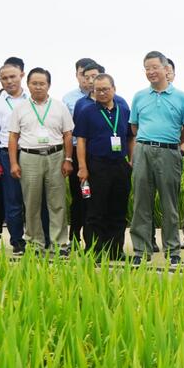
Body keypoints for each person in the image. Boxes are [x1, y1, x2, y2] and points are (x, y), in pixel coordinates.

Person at [130, 51, 184, 266]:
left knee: (169, 204)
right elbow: (134, 127)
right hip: (143, 150)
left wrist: (171, 144)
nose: (151, 72)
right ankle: (141, 250)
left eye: (155, 67)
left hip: (169, 152)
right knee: (141, 203)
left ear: (166, 69)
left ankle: (173, 251)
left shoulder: (181, 97)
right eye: (147, 68)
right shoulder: (139, 96)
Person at [8, 67, 74, 256]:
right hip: (29, 157)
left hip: (56, 156)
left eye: (42, 83)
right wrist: (13, 163)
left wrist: (68, 159)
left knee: (57, 202)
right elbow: (13, 136)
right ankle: (35, 244)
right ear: (28, 84)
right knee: (31, 203)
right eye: (34, 83)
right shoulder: (20, 108)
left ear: (49, 85)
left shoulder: (60, 107)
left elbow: (68, 134)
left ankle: (59, 244)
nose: (38, 87)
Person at [75, 73, 133, 259]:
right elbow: (81, 141)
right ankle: (95, 250)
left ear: (114, 89)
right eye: (97, 90)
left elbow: (130, 137)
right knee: (96, 210)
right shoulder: (87, 112)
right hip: (97, 165)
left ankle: (115, 250)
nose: (101, 93)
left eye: (105, 89)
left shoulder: (124, 110)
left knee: (118, 209)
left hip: (120, 165)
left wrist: (131, 161)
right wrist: (82, 167)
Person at [0, 63, 29, 254]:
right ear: (0, 80)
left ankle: (38, 238)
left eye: (13, 76)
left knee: (34, 199)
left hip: (30, 152)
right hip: (6, 154)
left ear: (22, 75)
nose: (9, 81)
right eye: (5, 78)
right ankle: (17, 241)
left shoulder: (32, 99)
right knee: (13, 199)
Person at [64, 58, 102, 248]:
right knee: (79, 197)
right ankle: (74, 237)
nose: (90, 80)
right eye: (86, 77)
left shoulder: (114, 100)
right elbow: (69, 132)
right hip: (79, 154)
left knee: (97, 198)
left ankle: (95, 239)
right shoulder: (75, 101)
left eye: (94, 76)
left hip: (100, 156)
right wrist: (69, 159)